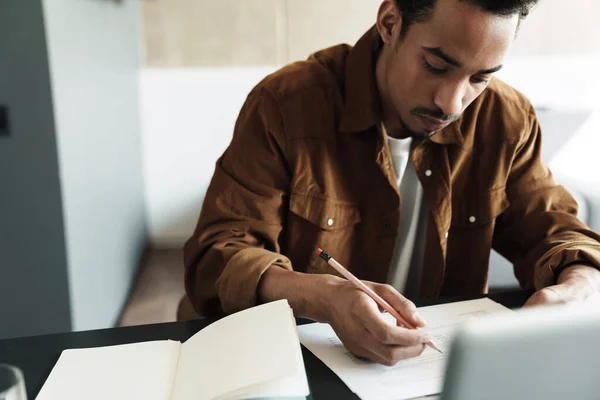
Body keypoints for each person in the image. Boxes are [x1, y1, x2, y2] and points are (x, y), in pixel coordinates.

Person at [183, 0, 600, 366]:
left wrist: (581, 284)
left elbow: (557, 230)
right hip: (296, 360)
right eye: (437, 66)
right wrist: (320, 297)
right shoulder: (286, 105)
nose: (452, 103)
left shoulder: (506, 119)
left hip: (432, 369)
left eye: (480, 78)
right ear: (389, 21)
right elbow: (215, 258)